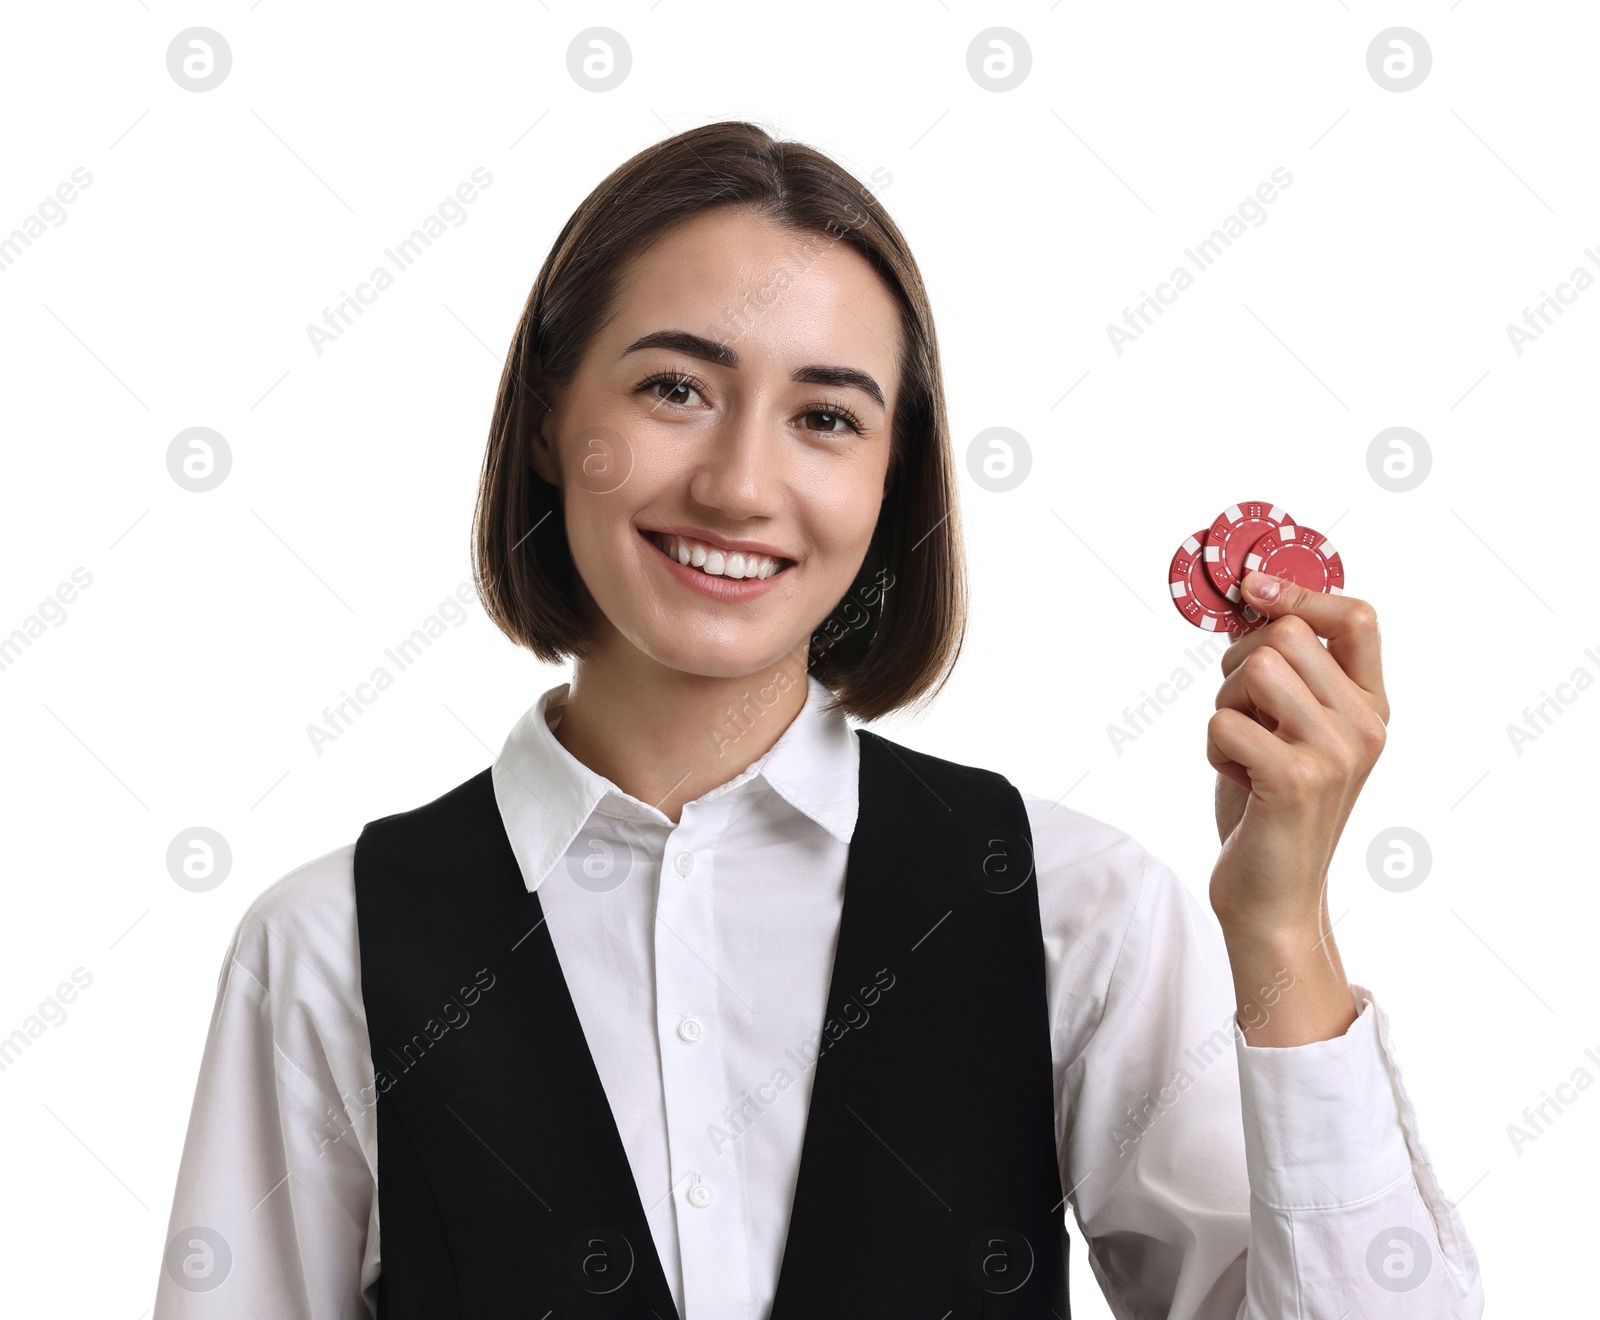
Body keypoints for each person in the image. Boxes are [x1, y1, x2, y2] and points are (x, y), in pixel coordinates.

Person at [153, 120, 1484, 1318]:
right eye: (675, 387)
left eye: (827, 416)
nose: (740, 483)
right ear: (554, 418)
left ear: (889, 473)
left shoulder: (1068, 908)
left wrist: (1283, 929)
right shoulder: (327, 948)